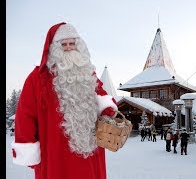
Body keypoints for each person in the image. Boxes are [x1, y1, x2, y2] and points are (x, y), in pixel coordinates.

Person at [11, 22, 118, 179]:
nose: (68, 48)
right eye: (64, 44)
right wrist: (28, 147)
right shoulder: (37, 78)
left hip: (90, 152)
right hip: (56, 156)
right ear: (54, 48)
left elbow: (100, 94)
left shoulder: (87, 73)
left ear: (78, 46)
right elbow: (25, 115)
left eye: (72, 44)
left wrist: (107, 109)